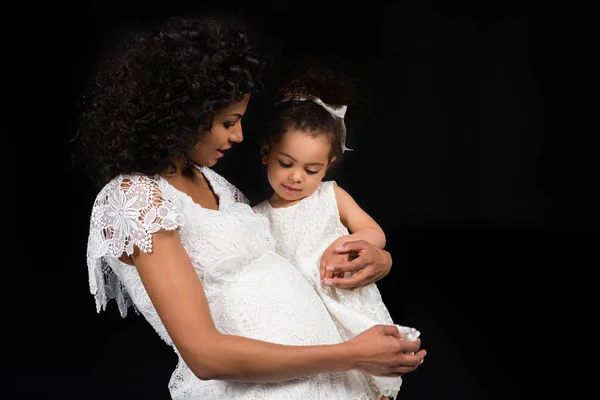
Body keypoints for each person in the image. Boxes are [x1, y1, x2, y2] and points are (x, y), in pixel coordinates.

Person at [75, 15, 426, 399]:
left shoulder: (219, 187)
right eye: (229, 122)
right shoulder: (137, 197)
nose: (239, 136)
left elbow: (294, 253)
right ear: (184, 117)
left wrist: (381, 258)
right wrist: (352, 354)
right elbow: (206, 355)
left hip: (329, 382)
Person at [252, 62, 420, 400]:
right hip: (303, 314)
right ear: (266, 152)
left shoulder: (331, 195)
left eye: (311, 169)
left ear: (328, 165)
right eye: (286, 163)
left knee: (370, 380)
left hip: (344, 297)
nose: (296, 177)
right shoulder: (255, 217)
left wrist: (348, 242)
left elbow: (375, 232)